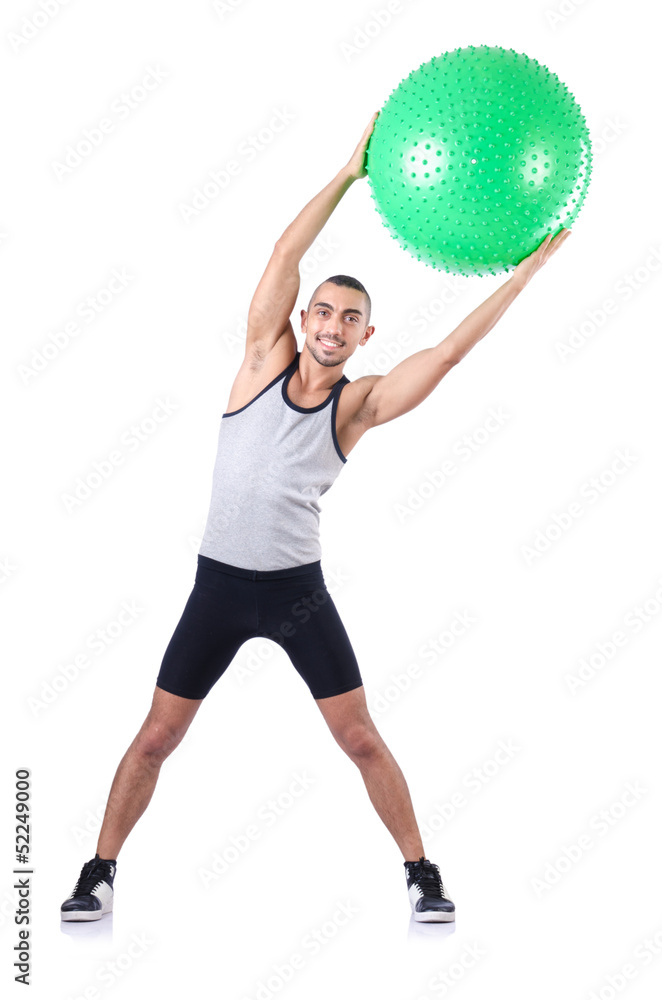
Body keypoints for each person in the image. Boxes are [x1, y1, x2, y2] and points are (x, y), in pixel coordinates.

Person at [60, 111, 570, 925]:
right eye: (323, 313)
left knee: (360, 737)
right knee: (157, 736)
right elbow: (282, 256)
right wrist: (348, 171)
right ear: (304, 321)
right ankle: (97, 871)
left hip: (297, 593)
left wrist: (527, 273)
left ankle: (422, 873)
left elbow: (445, 356)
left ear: (367, 336)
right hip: (218, 589)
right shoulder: (260, 358)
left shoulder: (358, 405)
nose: (332, 326)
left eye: (349, 320)